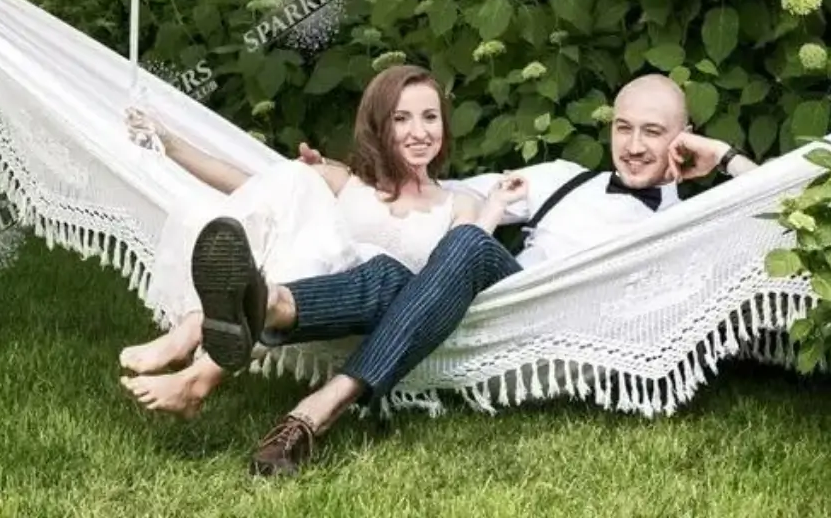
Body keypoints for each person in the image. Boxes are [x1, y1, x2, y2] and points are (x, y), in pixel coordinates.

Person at [189, 72, 758, 476]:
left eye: (653, 133)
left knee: (454, 249)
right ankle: (270, 307)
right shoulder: (563, 176)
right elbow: (433, 197)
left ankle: (311, 390)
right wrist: (334, 178)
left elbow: (794, 212)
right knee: (402, 269)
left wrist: (726, 159)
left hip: (561, 321)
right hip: (497, 299)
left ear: (683, 135)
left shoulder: (691, 219)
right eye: (623, 128)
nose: (632, 147)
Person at [118, 64, 527, 417]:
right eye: (401, 119)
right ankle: (196, 332)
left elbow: (460, 266)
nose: (419, 132)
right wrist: (168, 143)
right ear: (378, 126)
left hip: (380, 304)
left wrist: (495, 204)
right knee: (294, 178)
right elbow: (252, 188)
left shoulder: (458, 203)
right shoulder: (347, 182)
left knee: (353, 250)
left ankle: (197, 363)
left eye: (430, 118)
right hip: (306, 296)